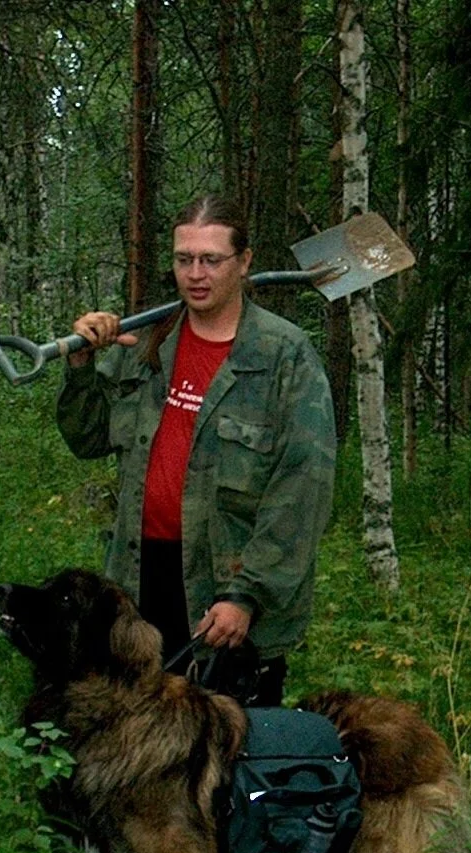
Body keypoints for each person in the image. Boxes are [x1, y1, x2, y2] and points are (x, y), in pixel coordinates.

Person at [56, 194, 336, 705]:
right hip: (139, 584)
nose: (196, 274)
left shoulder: (283, 356)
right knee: (139, 751)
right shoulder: (147, 345)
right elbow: (87, 438)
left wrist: (246, 595)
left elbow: (302, 491)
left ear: (244, 262)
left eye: (211, 259)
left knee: (228, 756)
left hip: (225, 591)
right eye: (184, 259)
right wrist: (80, 369)